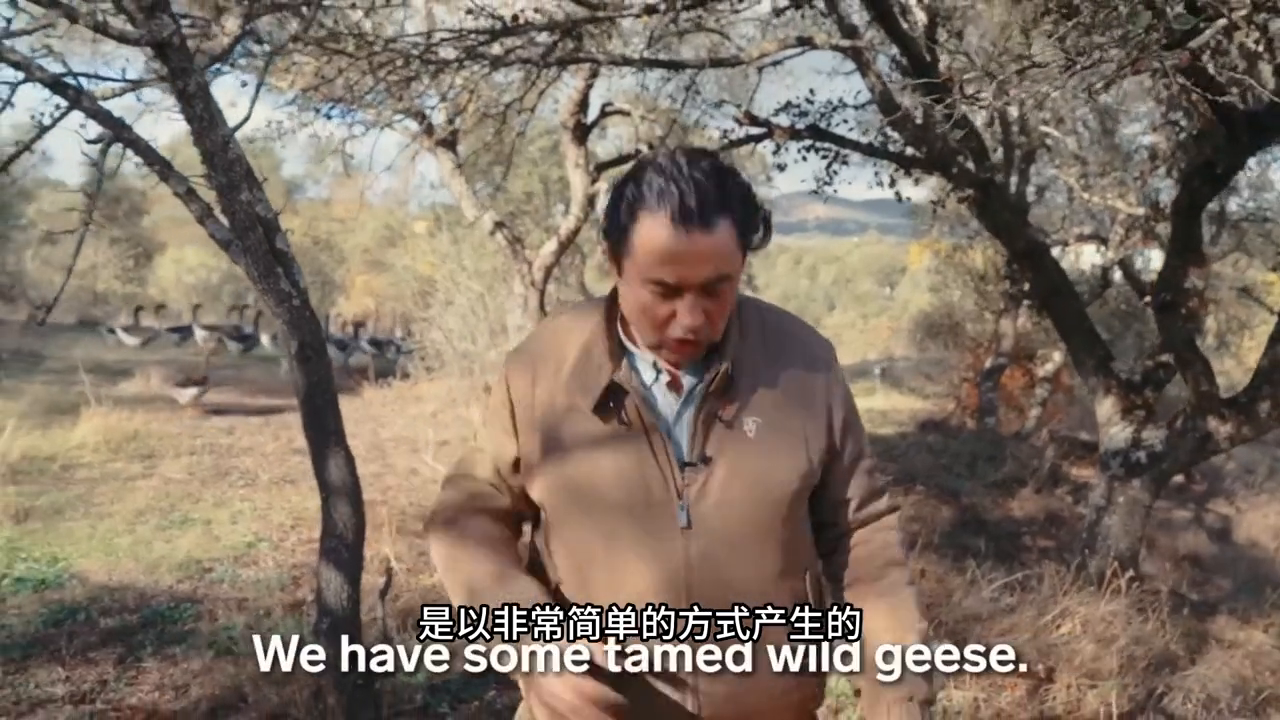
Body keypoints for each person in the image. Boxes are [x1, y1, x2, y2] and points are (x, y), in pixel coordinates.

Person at [425, 146, 932, 720]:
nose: (691, 319)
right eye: (664, 291)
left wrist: (897, 695)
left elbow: (862, 533)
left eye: (717, 289)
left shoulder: (804, 365)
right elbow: (468, 517)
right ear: (613, 263)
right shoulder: (543, 368)